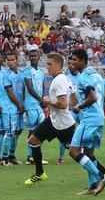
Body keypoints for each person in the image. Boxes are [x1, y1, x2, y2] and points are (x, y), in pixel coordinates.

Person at [23, 52, 76, 187]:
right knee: (33, 141)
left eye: (49, 64)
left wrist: (48, 101)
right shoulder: (64, 79)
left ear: (58, 65)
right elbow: (73, 100)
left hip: (63, 123)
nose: (47, 67)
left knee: (76, 153)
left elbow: (63, 104)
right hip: (54, 120)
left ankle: (100, 169)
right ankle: (40, 173)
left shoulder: (58, 80)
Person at [67, 48, 105, 195]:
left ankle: (101, 177)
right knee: (89, 154)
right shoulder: (97, 75)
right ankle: (93, 186)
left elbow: (92, 97)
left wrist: (79, 106)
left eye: (74, 60)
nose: (71, 63)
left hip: (89, 119)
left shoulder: (83, 77)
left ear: (82, 61)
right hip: (99, 118)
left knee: (73, 151)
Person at [19, 48, 47, 166]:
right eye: (31, 56)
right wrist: (40, 100)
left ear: (39, 56)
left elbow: (43, 87)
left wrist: (43, 99)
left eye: (35, 56)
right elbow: (29, 88)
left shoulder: (41, 72)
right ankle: (30, 156)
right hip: (30, 105)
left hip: (39, 105)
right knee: (32, 130)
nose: (33, 58)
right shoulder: (26, 71)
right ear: (28, 58)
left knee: (40, 130)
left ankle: (36, 155)